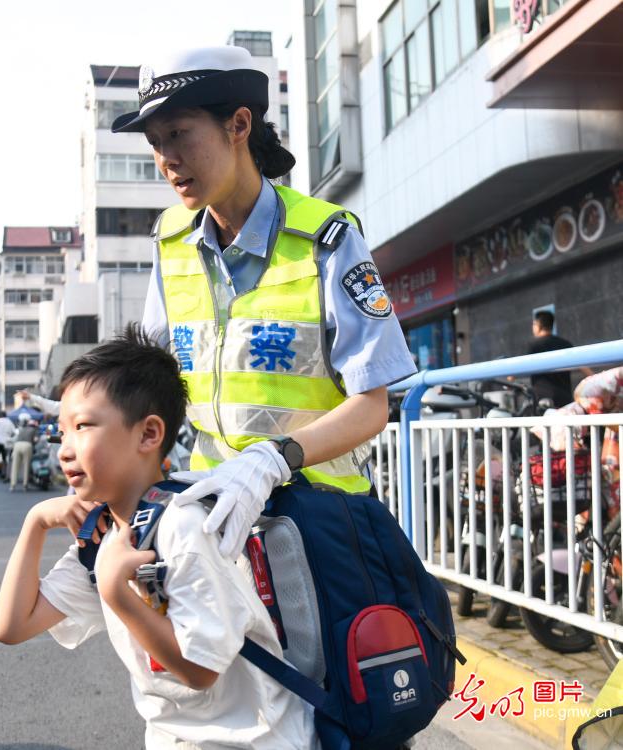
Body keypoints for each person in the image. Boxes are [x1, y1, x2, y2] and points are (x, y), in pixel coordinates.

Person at [119, 45, 414, 557]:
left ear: (238, 125)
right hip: (212, 523)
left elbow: (371, 406)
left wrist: (276, 459)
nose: (167, 158)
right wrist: (97, 416)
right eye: (155, 142)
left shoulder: (327, 238)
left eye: (180, 134)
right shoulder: (170, 241)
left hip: (324, 525)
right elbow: (155, 382)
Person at [0, 325, 315, 749]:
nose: (65, 449)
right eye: (62, 431)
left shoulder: (183, 525)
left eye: (84, 426)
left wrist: (116, 592)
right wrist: (34, 522)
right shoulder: (104, 540)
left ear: (149, 434)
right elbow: (12, 626)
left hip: (254, 740)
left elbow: (201, 671)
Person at [526, 309, 592, 407]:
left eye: (533, 324)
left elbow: (513, 374)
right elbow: (584, 368)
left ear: (538, 325)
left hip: (542, 402)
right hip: (564, 401)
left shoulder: (533, 345)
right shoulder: (565, 344)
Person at [9, 413, 35, 492]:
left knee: (15, 465)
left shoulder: (19, 429)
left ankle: (12, 485)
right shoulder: (32, 429)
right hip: (27, 445)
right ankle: (25, 485)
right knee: (26, 465)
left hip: (17, 445)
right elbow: (34, 440)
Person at [0, 411, 16, 480]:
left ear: (0, 415)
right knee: (5, 459)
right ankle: (4, 473)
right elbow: (14, 433)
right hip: (6, 442)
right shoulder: (10, 422)